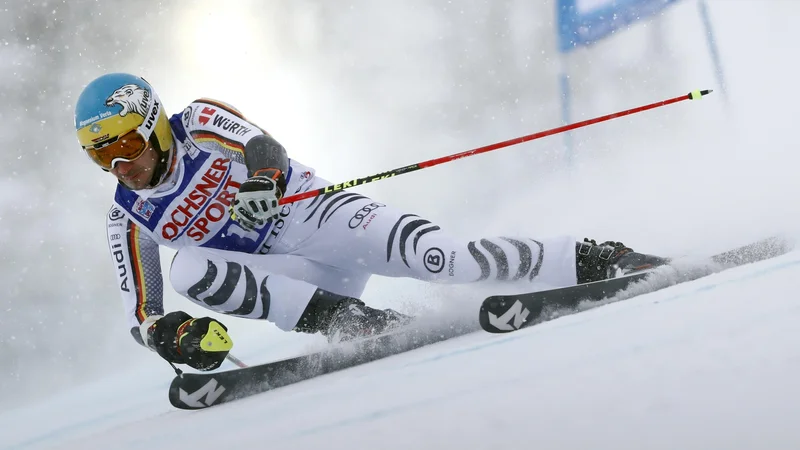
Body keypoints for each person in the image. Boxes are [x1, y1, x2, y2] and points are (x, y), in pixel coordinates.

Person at [75, 73, 666, 372]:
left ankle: (590, 258)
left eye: (125, 143)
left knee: (446, 260)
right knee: (189, 269)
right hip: (298, 279)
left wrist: (260, 182)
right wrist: (169, 335)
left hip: (317, 215)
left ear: (151, 123)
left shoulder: (195, 121)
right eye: (102, 154)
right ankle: (351, 321)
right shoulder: (127, 218)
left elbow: (263, 145)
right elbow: (141, 314)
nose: (121, 164)